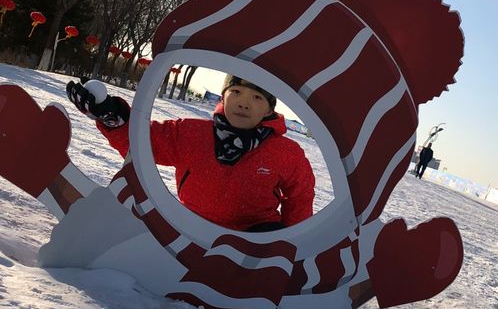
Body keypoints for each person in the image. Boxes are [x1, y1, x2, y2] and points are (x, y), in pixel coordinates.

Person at [66, 74, 315, 232]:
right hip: (191, 231)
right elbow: (144, 142)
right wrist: (112, 116)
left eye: (257, 97)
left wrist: (292, 244)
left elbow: (300, 197)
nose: (244, 103)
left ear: (270, 109)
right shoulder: (191, 133)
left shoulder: (286, 152)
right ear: (224, 96)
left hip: (254, 239)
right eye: (236, 92)